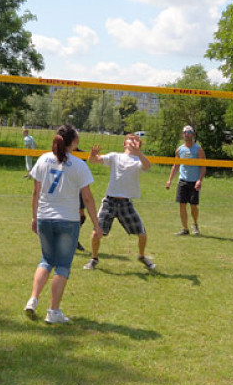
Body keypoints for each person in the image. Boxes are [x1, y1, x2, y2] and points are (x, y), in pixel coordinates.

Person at [24, 124, 102, 324]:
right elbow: (88, 198)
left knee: (46, 260)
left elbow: (35, 192)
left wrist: (34, 217)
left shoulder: (43, 159)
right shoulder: (78, 165)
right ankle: (53, 311)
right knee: (63, 266)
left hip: (44, 217)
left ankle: (33, 300)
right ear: (74, 142)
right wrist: (96, 224)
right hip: (67, 220)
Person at [84, 133, 155, 271]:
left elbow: (147, 166)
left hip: (126, 203)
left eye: (136, 140)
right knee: (96, 232)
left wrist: (138, 152)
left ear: (139, 145)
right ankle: (94, 259)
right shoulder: (115, 156)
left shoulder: (138, 160)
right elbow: (93, 161)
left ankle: (141, 256)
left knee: (142, 233)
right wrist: (92, 155)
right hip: (109, 201)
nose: (133, 140)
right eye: (130, 139)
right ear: (124, 144)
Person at [165, 125, 206, 236]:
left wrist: (199, 180)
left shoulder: (198, 149)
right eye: (185, 132)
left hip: (194, 181)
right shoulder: (180, 149)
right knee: (182, 205)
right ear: (182, 134)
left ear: (192, 134)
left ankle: (195, 224)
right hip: (183, 180)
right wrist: (169, 180)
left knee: (193, 206)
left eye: (189, 132)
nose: (186, 134)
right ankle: (185, 229)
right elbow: (176, 165)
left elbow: (203, 167)